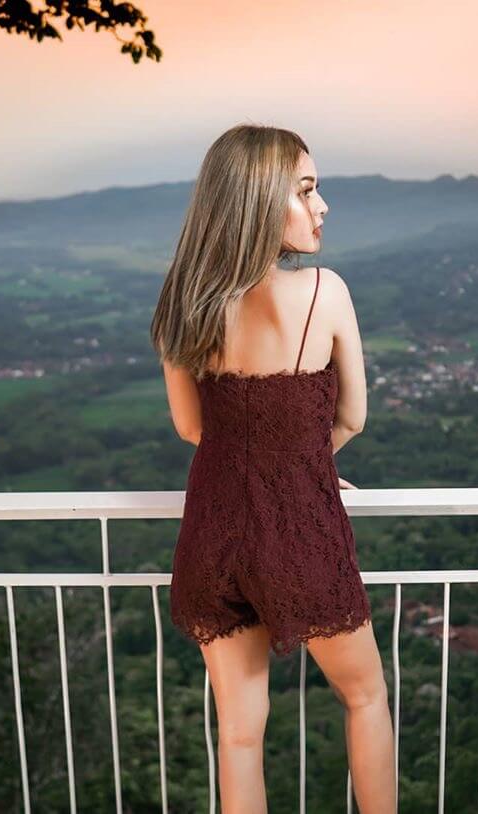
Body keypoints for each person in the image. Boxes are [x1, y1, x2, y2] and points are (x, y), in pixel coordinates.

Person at [150, 124, 397, 814]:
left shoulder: (182, 304)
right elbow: (351, 420)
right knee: (366, 694)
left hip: (212, 536)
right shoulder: (325, 292)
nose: (323, 207)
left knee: (239, 735)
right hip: (297, 532)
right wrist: (300, 472)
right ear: (262, 199)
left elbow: (194, 429)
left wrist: (266, 468)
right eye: (308, 189)